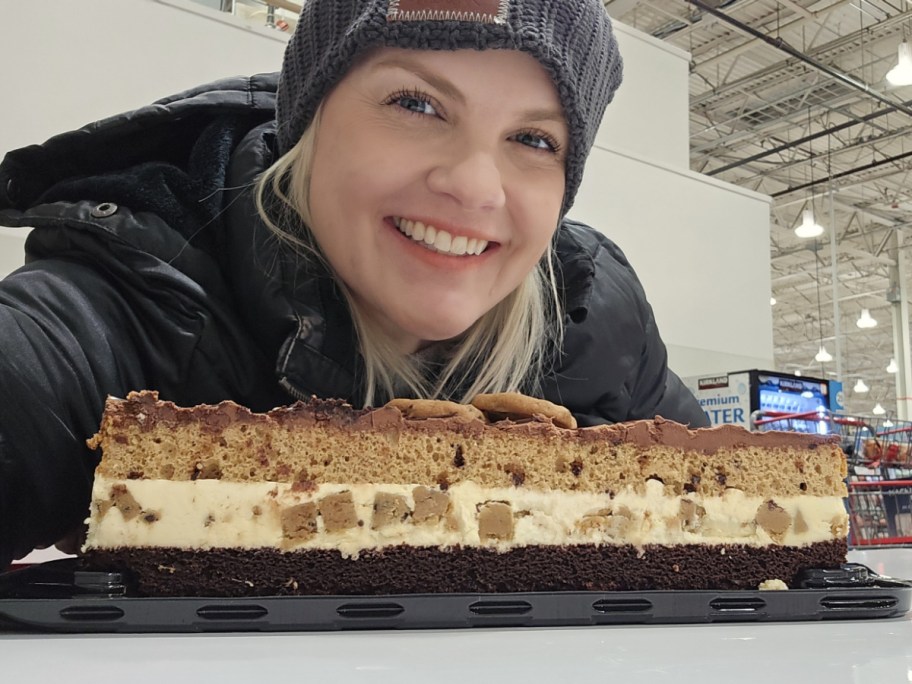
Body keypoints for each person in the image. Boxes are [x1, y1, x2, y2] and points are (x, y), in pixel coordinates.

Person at [0, 0, 707, 569]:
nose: (472, 185)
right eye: (417, 104)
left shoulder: (595, 320)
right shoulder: (136, 298)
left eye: (534, 140)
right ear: (307, 117)